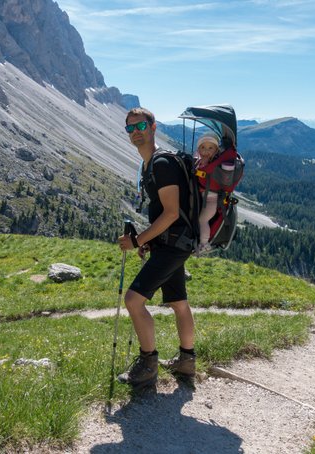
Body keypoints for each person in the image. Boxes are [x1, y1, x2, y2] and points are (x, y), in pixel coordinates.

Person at [117, 107, 196, 388]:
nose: (135, 132)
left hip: (174, 246)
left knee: (133, 300)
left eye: (140, 127)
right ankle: (187, 362)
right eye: (130, 128)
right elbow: (167, 213)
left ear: (153, 127)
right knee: (178, 302)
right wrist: (150, 240)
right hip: (173, 243)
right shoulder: (152, 162)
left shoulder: (162, 164)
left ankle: (148, 365)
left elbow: (172, 213)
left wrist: (138, 240)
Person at [194, 133, 222, 254]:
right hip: (205, 198)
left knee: (202, 220)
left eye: (210, 148)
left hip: (212, 200)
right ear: (198, 149)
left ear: (216, 150)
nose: (206, 151)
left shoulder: (211, 164)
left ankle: (205, 244)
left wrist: (202, 165)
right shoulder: (204, 161)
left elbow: (202, 175)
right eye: (203, 147)